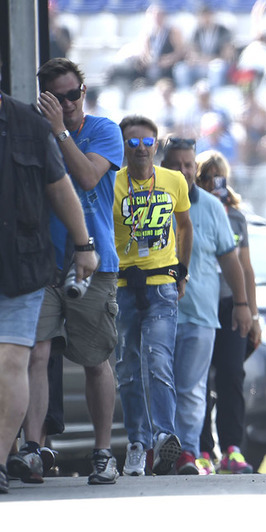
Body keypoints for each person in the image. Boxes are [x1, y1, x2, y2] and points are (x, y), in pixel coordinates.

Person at [6, 58, 124, 486]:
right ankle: (34, 449)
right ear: (45, 99)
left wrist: (58, 130)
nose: (69, 104)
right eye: (59, 98)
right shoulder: (31, 134)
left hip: (95, 263)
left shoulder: (103, 130)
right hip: (43, 265)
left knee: (95, 360)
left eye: (74, 95)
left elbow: (89, 177)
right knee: (35, 353)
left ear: (84, 93)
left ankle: (102, 452)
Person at [0, 87, 98, 494]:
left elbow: (61, 188)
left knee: (10, 360)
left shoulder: (30, 126)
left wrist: (84, 245)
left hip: (21, 265)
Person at [161, 142, 252, 475]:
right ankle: (170, 449)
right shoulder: (155, 199)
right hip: (160, 309)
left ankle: (199, 450)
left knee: (205, 385)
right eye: (177, 165)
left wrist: (246, 308)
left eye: (189, 166)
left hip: (208, 311)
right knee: (162, 384)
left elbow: (238, 264)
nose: (184, 172)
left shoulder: (223, 213)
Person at [114, 115, 193, 476]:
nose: (141, 148)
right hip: (122, 286)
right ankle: (137, 442)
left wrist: (182, 271)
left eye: (147, 141)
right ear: (123, 147)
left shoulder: (174, 180)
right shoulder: (111, 183)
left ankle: (164, 436)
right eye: (133, 142)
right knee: (128, 369)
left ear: (157, 145)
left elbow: (185, 225)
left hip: (161, 284)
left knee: (158, 360)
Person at [196, 156, 262, 475]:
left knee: (232, 375)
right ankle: (202, 450)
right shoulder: (190, 213)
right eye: (206, 177)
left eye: (218, 177)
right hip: (199, 303)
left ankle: (232, 448)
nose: (212, 183)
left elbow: (246, 268)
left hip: (231, 304)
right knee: (198, 379)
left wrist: (253, 311)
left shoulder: (236, 217)